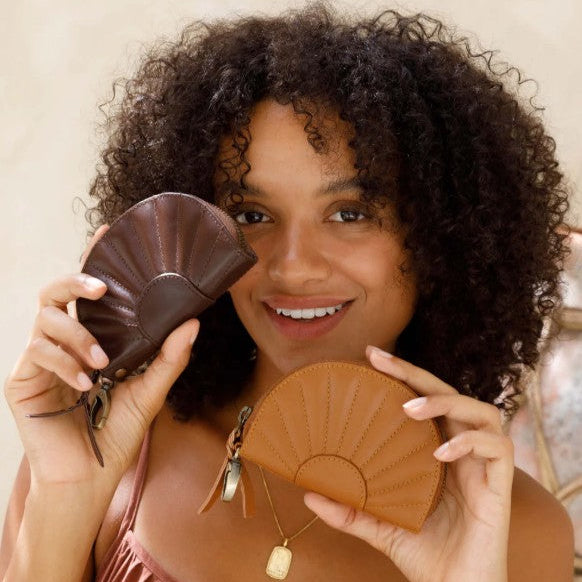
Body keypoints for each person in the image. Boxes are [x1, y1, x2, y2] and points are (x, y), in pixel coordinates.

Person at [0, 3, 576, 581]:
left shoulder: (512, 530)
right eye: (251, 214)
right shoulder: (106, 447)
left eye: (349, 213)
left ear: (444, 233)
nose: (293, 268)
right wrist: (64, 497)